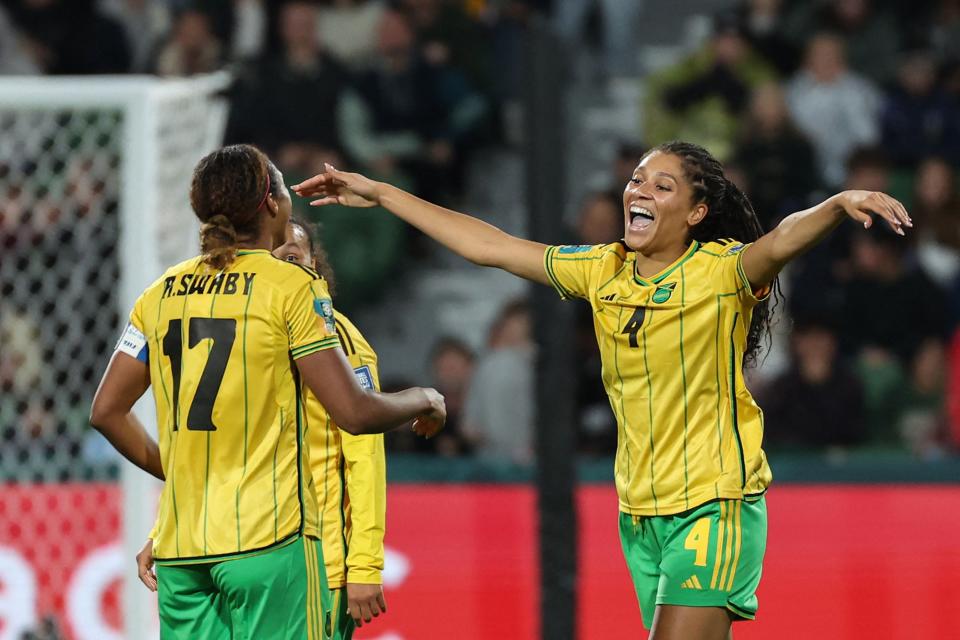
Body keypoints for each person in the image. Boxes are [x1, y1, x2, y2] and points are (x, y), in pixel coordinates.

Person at [292, 140, 910, 638]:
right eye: (637, 180)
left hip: (714, 505)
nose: (639, 191)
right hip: (639, 514)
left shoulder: (721, 273)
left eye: (662, 186)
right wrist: (381, 192)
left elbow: (779, 241)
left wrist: (835, 205)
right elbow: (492, 247)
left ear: (696, 214)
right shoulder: (602, 270)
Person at [90, 144, 444, 638]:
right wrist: (425, 398)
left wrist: (187, 475)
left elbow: (106, 411)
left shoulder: (159, 294)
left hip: (182, 551)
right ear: (273, 204)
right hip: (269, 541)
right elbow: (355, 414)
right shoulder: (290, 288)